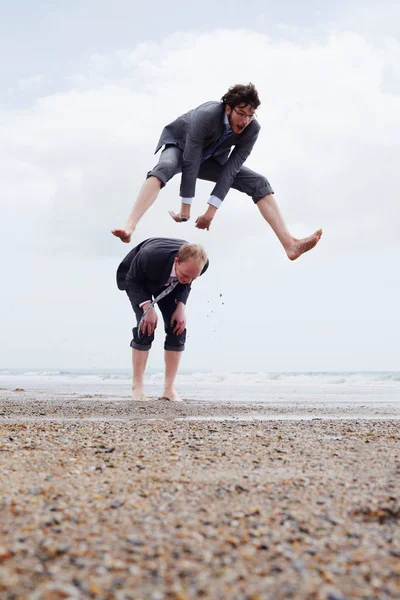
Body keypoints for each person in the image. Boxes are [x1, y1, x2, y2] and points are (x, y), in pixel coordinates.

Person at [112, 82, 322, 260]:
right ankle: (130, 226)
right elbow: (190, 160)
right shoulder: (206, 115)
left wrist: (210, 214)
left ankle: (290, 244)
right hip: (181, 147)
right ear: (227, 108)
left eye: (250, 115)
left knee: (259, 182)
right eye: (241, 113)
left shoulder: (252, 129)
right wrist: (186, 210)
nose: (245, 120)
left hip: (212, 157)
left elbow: (231, 169)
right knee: (164, 167)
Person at [116, 237, 208, 402]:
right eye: (185, 274)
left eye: (193, 277)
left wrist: (181, 306)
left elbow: (186, 283)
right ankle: (137, 387)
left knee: (178, 327)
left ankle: (169, 389)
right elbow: (131, 280)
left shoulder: (200, 265)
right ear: (176, 261)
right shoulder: (149, 256)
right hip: (139, 280)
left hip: (171, 285)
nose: (188, 279)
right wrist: (147, 307)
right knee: (146, 326)